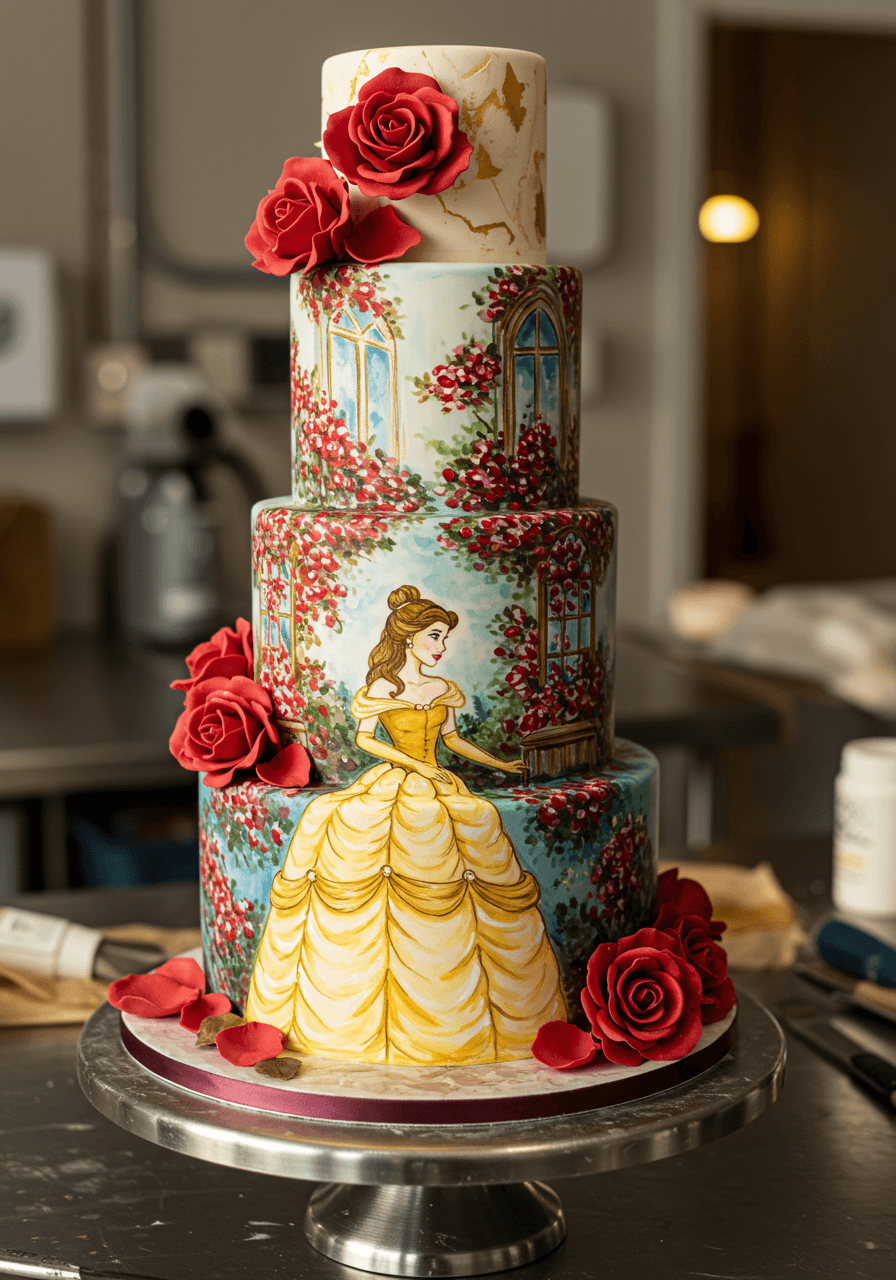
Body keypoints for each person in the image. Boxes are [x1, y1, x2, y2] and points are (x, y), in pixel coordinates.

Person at [245, 585, 566, 1063]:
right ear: (410, 638)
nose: (440, 647)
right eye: (434, 636)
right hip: (398, 778)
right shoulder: (382, 690)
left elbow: (453, 743)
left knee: (469, 824)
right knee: (331, 817)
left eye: (445, 639)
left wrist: (501, 766)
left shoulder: (443, 689)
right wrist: (415, 766)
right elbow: (366, 739)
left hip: (438, 779)